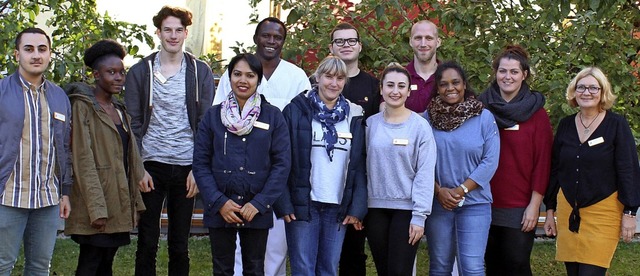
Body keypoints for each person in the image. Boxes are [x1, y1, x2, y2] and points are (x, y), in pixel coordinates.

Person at [213, 17, 311, 276]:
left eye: (277, 37)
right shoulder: (234, 73)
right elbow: (218, 117)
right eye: (265, 35)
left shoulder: (296, 76)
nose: (271, 41)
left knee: (274, 244)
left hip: (277, 170)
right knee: (233, 248)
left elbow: (304, 125)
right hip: (234, 169)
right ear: (256, 37)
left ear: (283, 42)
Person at [124, 6, 215, 276]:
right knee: (147, 241)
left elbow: (206, 124)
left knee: (179, 244)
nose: (173, 36)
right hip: (152, 164)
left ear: (186, 33)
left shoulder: (200, 72)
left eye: (178, 30)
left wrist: (199, 170)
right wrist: (139, 167)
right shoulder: (141, 71)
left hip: (187, 166)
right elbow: (133, 124)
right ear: (158, 33)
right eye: (167, 30)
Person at [193, 53, 291, 276]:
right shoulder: (212, 117)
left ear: (258, 79)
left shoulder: (273, 117)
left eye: (250, 75)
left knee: (255, 268)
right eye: (237, 74)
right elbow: (200, 163)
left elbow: (281, 165)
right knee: (222, 268)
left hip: (257, 209)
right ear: (229, 77)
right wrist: (220, 202)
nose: (243, 80)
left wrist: (259, 203)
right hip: (221, 208)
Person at [274, 56, 367, 276]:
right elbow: (280, 159)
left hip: (337, 206)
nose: (333, 83)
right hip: (304, 203)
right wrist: (284, 203)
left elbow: (360, 165)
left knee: (328, 268)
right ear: (317, 77)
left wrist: (357, 208)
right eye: (328, 76)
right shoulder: (295, 110)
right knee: (303, 268)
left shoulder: (354, 115)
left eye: (340, 78)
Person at [543, 67, 640, 276]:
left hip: (603, 211)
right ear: (574, 92)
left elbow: (628, 169)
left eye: (593, 88)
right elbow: (555, 169)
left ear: (602, 92)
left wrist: (630, 212)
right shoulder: (566, 125)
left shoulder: (616, 125)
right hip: (568, 210)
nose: (587, 92)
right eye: (581, 87)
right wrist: (549, 210)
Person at [64, 39, 147, 276]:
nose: (119, 78)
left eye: (122, 72)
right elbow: (83, 159)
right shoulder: (83, 108)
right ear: (96, 75)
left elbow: (128, 158)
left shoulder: (120, 110)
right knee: (90, 263)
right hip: (96, 203)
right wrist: (97, 209)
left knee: (106, 264)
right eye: (111, 72)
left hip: (117, 201)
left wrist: (135, 202)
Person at [0, 27, 72, 276]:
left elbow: (63, 149)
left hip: (47, 199)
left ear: (50, 54)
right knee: (2, 265)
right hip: (8, 197)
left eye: (42, 49)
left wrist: (65, 192)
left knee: (40, 267)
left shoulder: (59, 96)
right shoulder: (1, 92)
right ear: (16, 54)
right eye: (28, 49)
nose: (36, 55)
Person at [479, 45, 553, 276]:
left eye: (513, 72)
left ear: (524, 74)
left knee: (517, 263)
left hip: (520, 205)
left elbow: (543, 163)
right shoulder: (481, 108)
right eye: (502, 71)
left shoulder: (536, 114)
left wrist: (534, 206)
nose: (507, 77)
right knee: (492, 265)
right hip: (483, 201)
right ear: (495, 73)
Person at [424, 61, 500, 275]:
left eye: (455, 82)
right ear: (437, 88)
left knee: (472, 268)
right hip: (438, 204)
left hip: (475, 204)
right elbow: (419, 163)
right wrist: (439, 191)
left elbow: (490, 161)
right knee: (439, 267)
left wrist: (460, 191)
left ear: (464, 85)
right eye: (444, 84)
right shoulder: (425, 119)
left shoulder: (484, 117)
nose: (450, 88)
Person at [366, 62, 436, 276]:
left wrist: (419, 216)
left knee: (399, 271)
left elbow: (425, 173)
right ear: (381, 89)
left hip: (407, 211)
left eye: (401, 86)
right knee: (383, 271)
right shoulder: (370, 124)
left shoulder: (420, 127)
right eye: (389, 85)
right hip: (375, 209)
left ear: (408, 91)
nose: (395, 91)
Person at [325, 22, 379, 276]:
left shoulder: (373, 86)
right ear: (330, 47)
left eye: (350, 41)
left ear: (359, 45)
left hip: (360, 176)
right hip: (326, 175)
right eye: (339, 41)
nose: (345, 45)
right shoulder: (320, 84)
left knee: (354, 248)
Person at [399, 20, 441, 113]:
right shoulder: (400, 77)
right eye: (418, 38)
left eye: (429, 38)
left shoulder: (448, 76)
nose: (423, 44)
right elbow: (386, 111)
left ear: (438, 42)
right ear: (410, 42)